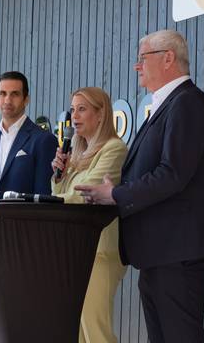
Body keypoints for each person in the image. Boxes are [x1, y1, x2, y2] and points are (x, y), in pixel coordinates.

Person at [75, 30, 204, 343]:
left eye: (142, 58)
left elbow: (172, 174)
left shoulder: (187, 103)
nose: (137, 66)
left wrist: (116, 194)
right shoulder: (169, 104)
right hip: (161, 250)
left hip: (177, 249)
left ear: (168, 58)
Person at [51, 87, 128, 343]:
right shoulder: (77, 154)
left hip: (100, 252)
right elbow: (64, 194)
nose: (74, 116)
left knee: (96, 334)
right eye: (73, 109)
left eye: (82, 109)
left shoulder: (114, 149)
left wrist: (47, 201)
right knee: (77, 335)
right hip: (75, 250)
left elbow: (88, 194)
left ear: (101, 114)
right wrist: (59, 177)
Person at [0, 71, 58, 203]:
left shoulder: (44, 140)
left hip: (22, 217)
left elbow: (43, 199)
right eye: (3, 94)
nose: (8, 100)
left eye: (15, 94)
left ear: (26, 99)